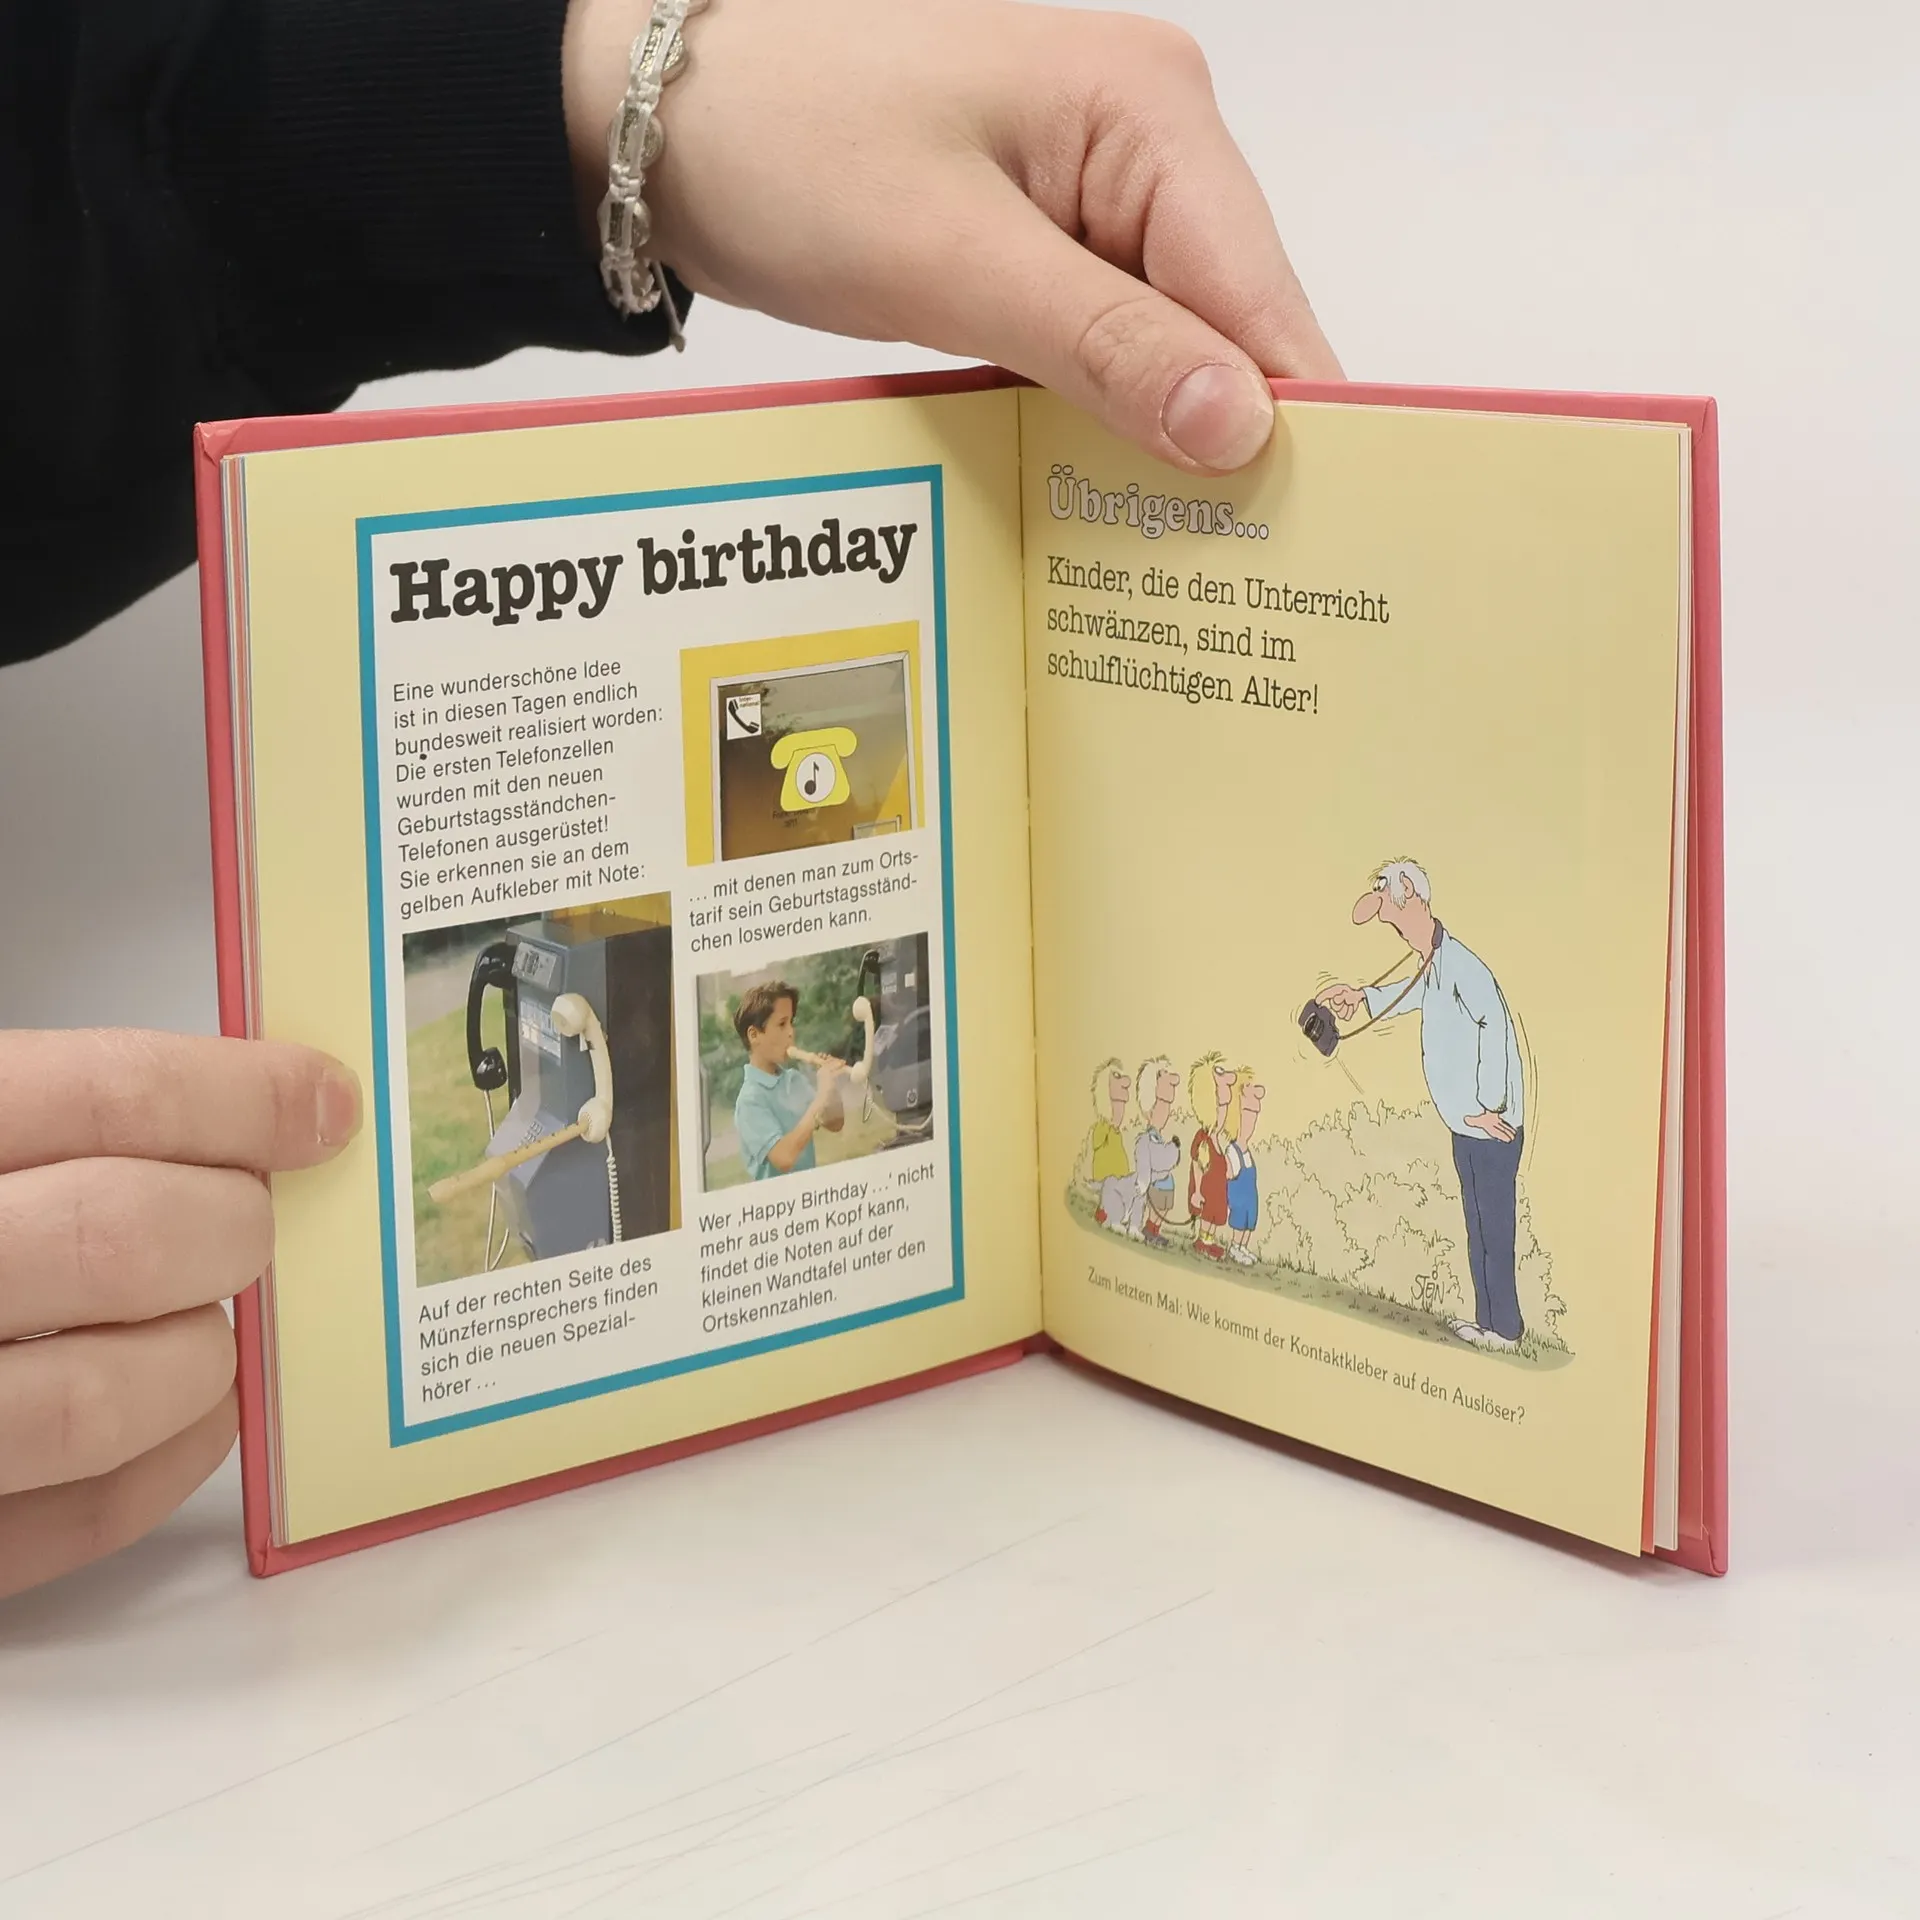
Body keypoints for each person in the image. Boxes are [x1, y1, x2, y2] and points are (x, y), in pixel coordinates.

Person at [0, 0, 1339, 1597]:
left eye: (770, 1029)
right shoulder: (716, 1094)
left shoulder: (713, 1071)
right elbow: (759, 1134)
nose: (774, 1039)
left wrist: (620, 98)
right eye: (768, 1029)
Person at [1316, 862, 1527, 1350]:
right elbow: (1410, 997)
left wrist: (1489, 1105)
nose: (1393, 929)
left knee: (1495, 1227)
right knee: (1478, 1226)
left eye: (1392, 915)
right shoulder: (1432, 965)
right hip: (1467, 1124)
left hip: (1490, 1126)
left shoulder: (1461, 965)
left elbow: (1493, 1021)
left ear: (1411, 893)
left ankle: (1508, 1330)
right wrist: (1360, 997)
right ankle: (1488, 1324)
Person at [730, 983, 847, 1182]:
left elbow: (835, 1123)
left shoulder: (794, 1079)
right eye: (782, 1024)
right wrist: (821, 1098)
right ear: (754, 1035)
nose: (791, 1032)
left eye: (791, 1022)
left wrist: (830, 1085)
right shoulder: (749, 1100)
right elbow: (784, 1158)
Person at [1130, 1056, 1182, 1243]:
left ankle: (1155, 1230)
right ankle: (1150, 1229)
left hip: (1165, 1187)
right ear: (1149, 1109)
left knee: (1163, 1209)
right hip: (1156, 1186)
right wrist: (1173, 1150)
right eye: (1160, 1107)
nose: (1165, 1113)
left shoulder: (1158, 1139)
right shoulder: (1147, 1140)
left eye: (1167, 1108)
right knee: (1157, 1209)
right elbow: (1160, 1161)